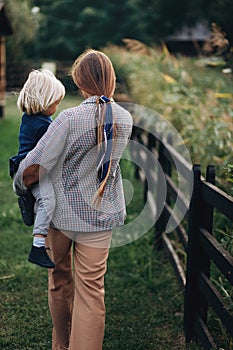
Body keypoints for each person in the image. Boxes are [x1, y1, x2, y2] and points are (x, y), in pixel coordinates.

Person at [16, 49, 133, 350]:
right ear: (111, 79)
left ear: (80, 83)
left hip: (61, 218)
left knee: (59, 279)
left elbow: (35, 167)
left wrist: (21, 186)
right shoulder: (125, 118)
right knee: (92, 289)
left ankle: (61, 345)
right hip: (100, 217)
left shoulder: (67, 119)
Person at [10, 69, 65, 268]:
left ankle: (30, 202)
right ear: (44, 100)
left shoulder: (33, 119)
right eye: (55, 103)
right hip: (30, 172)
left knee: (46, 197)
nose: (57, 107)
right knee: (48, 198)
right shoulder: (41, 125)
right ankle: (38, 246)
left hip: (27, 168)